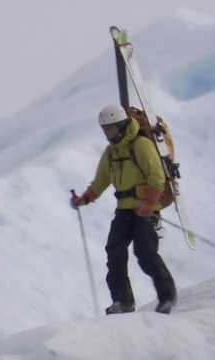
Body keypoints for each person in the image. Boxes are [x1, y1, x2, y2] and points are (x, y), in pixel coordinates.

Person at [70, 104, 177, 315]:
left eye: (109, 128)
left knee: (146, 254)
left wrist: (149, 205)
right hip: (124, 211)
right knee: (115, 253)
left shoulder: (141, 145)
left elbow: (156, 177)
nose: (107, 133)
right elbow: (101, 180)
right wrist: (84, 199)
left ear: (121, 125)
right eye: (104, 129)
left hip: (145, 211)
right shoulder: (111, 152)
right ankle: (123, 301)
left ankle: (167, 297)